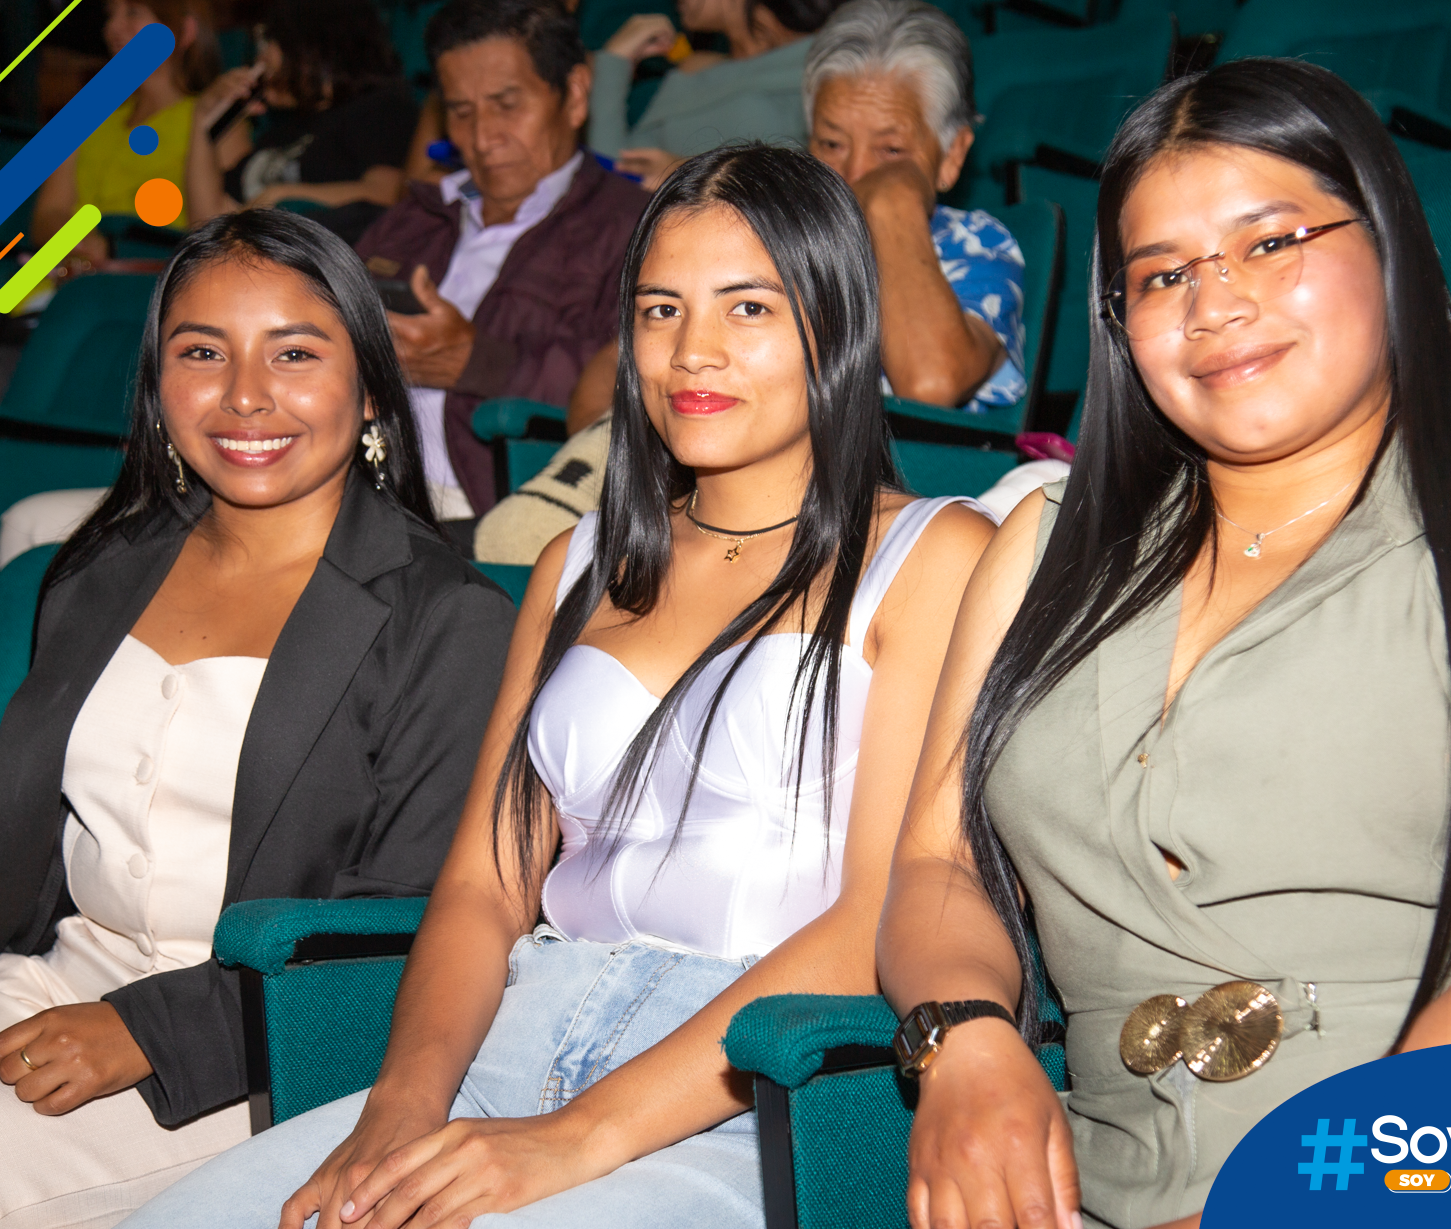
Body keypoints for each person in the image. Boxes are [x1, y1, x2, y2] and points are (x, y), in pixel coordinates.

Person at [876, 58, 1451, 1229]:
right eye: (1161, 275)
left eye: (1270, 243)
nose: (1214, 305)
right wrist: (962, 1037)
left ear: (1392, 247)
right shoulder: (1040, 547)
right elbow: (937, 865)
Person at [120, 142, 996, 1229]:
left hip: (749, 1093)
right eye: (661, 309)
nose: (693, 352)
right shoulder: (575, 564)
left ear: (834, 320)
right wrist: (401, 1102)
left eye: (748, 308)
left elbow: (876, 911)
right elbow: (486, 888)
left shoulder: (933, 555)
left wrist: (572, 1138)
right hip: (509, 1044)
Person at [0, 210, 517, 1227]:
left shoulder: (448, 619)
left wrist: (155, 1031)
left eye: (294, 352)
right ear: (158, 383)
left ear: (366, 386)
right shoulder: (100, 572)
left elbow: (407, 922)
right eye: (201, 352)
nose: (245, 394)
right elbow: (21, 857)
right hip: (57, 973)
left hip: (269, 1034)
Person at [353, 0, 649, 520]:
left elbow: (638, 374)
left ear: (576, 95)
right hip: (354, 488)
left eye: (507, 105)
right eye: (461, 112)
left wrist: (482, 364)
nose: (482, 138)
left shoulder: (632, 228)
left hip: (488, 509)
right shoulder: (416, 218)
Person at [805, 0, 1025, 412]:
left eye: (891, 149)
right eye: (831, 144)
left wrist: (890, 200)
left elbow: (930, 383)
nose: (854, 174)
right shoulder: (775, 241)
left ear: (952, 156)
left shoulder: (977, 246)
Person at [185, 0, 421, 243]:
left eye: (268, 41)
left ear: (308, 44)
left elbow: (387, 193)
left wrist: (282, 196)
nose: (259, 59)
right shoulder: (278, 133)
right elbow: (206, 224)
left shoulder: (380, 109)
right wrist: (203, 121)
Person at [33, 0, 219, 275]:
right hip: (69, 276)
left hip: (153, 278)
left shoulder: (213, 117)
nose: (111, 28)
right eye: (110, 15)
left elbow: (220, 228)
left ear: (185, 30)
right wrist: (79, 243)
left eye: (132, 12)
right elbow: (48, 214)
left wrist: (115, 246)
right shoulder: (85, 114)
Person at [591, 0, 840, 190]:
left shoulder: (824, 68)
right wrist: (616, 60)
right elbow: (614, 173)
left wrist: (702, 175)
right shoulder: (701, 68)